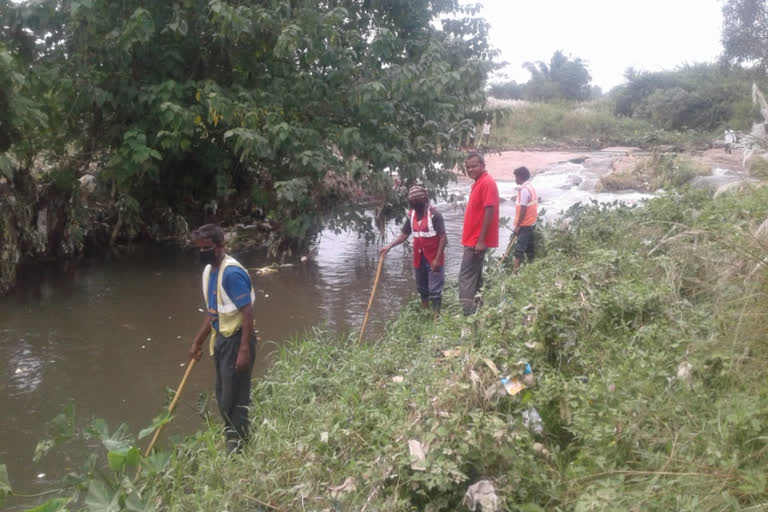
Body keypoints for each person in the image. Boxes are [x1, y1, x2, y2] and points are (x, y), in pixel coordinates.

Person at [188, 224, 257, 453]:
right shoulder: (209, 272)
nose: (202, 252)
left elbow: (247, 313)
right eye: (199, 248)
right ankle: (234, 439)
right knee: (223, 395)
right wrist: (197, 341)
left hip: (237, 341)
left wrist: (244, 349)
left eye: (207, 247)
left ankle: (238, 447)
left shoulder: (231, 273)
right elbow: (213, 312)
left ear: (220, 247)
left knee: (235, 397)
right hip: (221, 341)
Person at [380, 186, 447, 313]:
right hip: (419, 259)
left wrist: (437, 260)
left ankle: (436, 319)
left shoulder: (435, 215)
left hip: (434, 258)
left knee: (435, 290)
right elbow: (404, 234)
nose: (416, 205)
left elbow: (444, 239)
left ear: (425, 200)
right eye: (413, 202)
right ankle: (425, 314)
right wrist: (389, 246)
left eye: (418, 201)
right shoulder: (411, 216)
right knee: (422, 289)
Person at [459, 152, 499, 315]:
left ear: (483, 165)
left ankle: (467, 314)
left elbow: (490, 209)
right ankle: (478, 311)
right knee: (475, 277)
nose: (470, 170)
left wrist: (481, 240)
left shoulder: (487, 182)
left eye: (474, 166)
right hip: (472, 239)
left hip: (475, 241)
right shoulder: (478, 182)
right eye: (468, 167)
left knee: (466, 278)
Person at [512, 166, 538, 273]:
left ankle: (515, 272)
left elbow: (523, 209)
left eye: (516, 177)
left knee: (519, 249)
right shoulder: (530, 187)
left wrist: (517, 226)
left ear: (520, 177)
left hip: (524, 225)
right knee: (530, 248)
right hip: (531, 223)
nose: (515, 180)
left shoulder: (524, 190)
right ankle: (532, 268)